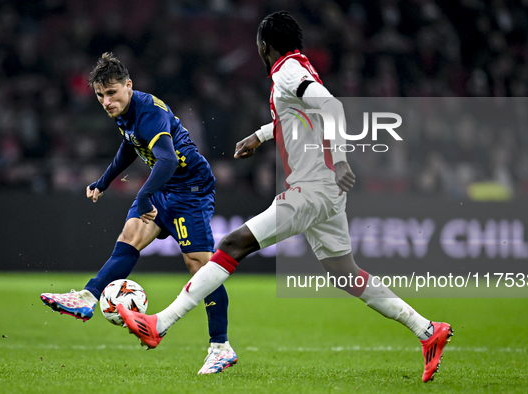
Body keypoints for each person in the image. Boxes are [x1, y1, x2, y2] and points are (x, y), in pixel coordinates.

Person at [117, 12, 453, 382]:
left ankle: (160, 324)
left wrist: (340, 160)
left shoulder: (286, 71)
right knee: (346, 275)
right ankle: (427, 330)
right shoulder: (298, 68)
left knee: (232, 244)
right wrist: (259, 137)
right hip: (325, 193)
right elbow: (297, 114)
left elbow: (333, 108)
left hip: (311, 189)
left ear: (264, 45)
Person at [40, 52, 237, 375]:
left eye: (112, 92)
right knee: (129, 237)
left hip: (190, 191)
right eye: (100, 95)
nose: (106, 101)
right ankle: (89, 297)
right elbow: (130, 145)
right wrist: (104, 181)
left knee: (201, 268)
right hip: (163, 186)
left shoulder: (149, 114)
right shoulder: (124, 113)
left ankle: (221, 347)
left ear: (129, 86)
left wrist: (144, 194)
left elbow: (169, 160)